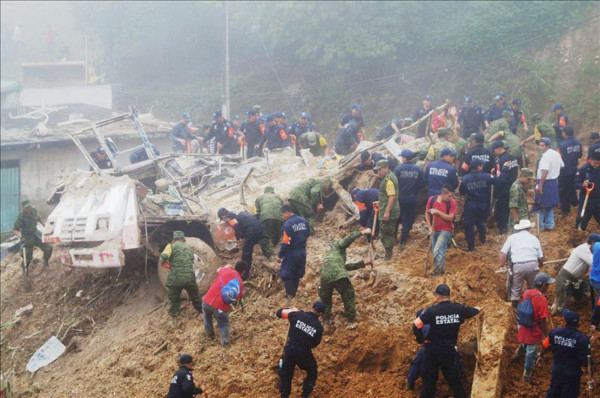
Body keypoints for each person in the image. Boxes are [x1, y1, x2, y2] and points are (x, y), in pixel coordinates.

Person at [412, 284, 480, 398]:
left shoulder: (431, 311)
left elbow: (416, 325)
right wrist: (477, 309)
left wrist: (421, 340)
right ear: (449, 295)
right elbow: (473, 311)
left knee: (429, 383)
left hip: (432, 351)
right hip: (448, 350)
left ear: (438, 296)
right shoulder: (459, 309)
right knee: (455, 381)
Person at [319, 229, 372, 330]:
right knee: (348, 296)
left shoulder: (331, 256)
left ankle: (326, 322)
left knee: (325, 300)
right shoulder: (338, 245)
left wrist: (362, 263)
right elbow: (347, 239)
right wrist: (362, 232)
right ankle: (351, 321)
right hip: (339, 275)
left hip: (324, 277)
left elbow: (344, 267)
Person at [276, 301, 325, 398]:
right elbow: (314, 344)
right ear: (321, 313)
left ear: (312, 307)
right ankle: (305, 394)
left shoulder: (297, 315)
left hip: (289, 349)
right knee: (312, 371)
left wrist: (291, 309)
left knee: (286, 374)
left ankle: (284, 395)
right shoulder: (319, 327)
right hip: (303, 352)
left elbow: (278, 313)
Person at [538, 309, 591, 397]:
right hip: (572, 373)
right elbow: (587, 358)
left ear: (565, 321)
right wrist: (590, 373)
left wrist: (540, 356)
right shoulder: (583, 339)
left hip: (557, 369)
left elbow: (545, 345)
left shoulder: (555, 333)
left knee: (554, 391)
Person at [514, 272, 554, 382]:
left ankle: (517, 355)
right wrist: (546, 335)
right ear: (543, 285)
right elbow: (543, 321)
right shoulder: (542, 300)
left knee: (524, 342)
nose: (549, 287)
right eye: (548, 285)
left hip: (523, 325)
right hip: (533, 329)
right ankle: (527, 375)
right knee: (531, 352)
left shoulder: (527, 292)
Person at [550, 234, 600, 315]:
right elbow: (594, 262)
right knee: (561, 302)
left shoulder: (589, 251)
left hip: (576, 278)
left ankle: (571, 305)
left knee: (584, 294)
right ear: (593, 243)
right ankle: (556, 315)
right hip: (565, 276)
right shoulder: (584, 249)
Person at [499, 220, 544, 307]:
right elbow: (541, 257)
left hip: (518, 266)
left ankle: (515, 308)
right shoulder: (534, 238)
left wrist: (502, 265)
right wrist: (540, 265)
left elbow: (502, 253)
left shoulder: (512, 237)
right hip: (532, 265)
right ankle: (533, 305)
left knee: (515, 289)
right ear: (529, 228)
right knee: (533, 288)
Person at [217, 208, 272, 280]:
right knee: (263, 240)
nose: (224, 220)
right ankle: (270, 257)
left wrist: (238, 237)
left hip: (251, 229)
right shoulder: (236, 211)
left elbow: (236, 226)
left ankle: (244, 275)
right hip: (258, 224)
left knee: (246, 253)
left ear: (223, 216)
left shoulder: (228, 218)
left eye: (222, 219)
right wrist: (243, 235)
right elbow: (242, 224)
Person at [159, 231, 203, 318]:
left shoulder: (170, 246)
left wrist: (164, 264)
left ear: (174, 239)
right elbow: (191, 260)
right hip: (189, 278)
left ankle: (175, 318)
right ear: (183, 239)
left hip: (175, 279)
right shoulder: (188, 248)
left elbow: (163, 257)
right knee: (195, 296)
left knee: (174, 298)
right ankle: (201, 312)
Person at [202, 261, 245, 347]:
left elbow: (218, 270)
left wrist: (227, 266)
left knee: (207, 318)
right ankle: (225, 344)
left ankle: (210, 337)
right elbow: (237, 297)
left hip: (207, 300)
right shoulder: (240, 283)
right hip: (220, 306)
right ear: (243, 271)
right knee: (223, 324)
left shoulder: (226, 271)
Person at [459, 159, 495, 251]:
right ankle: (483, 240)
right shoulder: (487, 176)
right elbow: (496, 182)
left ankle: (471, 247)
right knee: (481, 222)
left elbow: (461, 192)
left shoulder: (465, 178)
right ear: (479, 166)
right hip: (483, 205)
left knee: (469, 226)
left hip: (471, 205)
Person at [278, 205, 310, 298]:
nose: (282, 217)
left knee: (286, 274)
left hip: (291, 253)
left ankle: (290, 295)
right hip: (302, 252)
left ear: (287, 212)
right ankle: (294, 294)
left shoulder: (287, 224)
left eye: (282, 214)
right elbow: (308, 233)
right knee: (297, 273)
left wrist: (280, 255)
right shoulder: (303, 220)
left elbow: (286, 241)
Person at [13, 200, 52, 272]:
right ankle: (25, 270)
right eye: (26, 207)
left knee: (49, 247)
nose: (28, 208)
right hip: (27, 237)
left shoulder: (34, 210)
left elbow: (39, 218)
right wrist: (21, 237)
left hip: (36, 233)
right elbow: (15, 230)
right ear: (23, 208)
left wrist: (45, 227)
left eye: (29, 206)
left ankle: (45, 263)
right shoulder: (20, 216)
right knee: (27, 258)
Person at [394, 149, 424, 245]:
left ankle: (394, 236)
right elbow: (422, 185)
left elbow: (394, 184)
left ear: (404, 158)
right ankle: (403, 240)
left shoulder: (398, 169)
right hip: (412, 198)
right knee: (408, 217)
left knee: (396, 217)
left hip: (399, 198)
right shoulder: (418, 169)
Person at [425, 187, 457, 276]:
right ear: (443, 193)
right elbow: (427, 213)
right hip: (434, 229)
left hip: (446, 230)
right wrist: (429, 226)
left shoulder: (452, 202)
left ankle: (436, 272)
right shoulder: (432, 200)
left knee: (437, 250)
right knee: (439, 251)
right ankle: (441, 269)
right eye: (449, 196)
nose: (450, 198)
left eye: (452, 196)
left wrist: (438, 212)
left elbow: (450, 218)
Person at [535, 138, 564, 231]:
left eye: (542, 145)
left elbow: (545, 171)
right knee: (550, 204)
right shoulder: (556, 154)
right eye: (539, 145)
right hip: (553, 182)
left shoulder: (546, 156)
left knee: (540, 204)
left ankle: (540, 226)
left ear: (548, 146)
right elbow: (562, 165)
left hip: (545, 182)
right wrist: (555, 172)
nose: (540, 147)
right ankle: (550, 224)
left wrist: (540, 185)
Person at [491, 140, 519, 234]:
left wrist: (494, 181)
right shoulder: (513, 158)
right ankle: (511, 225)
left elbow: (500, 177)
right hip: (513, 185)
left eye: (493, 151)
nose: (493, 153)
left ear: (498, 149)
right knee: (511, 207)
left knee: (501, 208)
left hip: (503, 188)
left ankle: (502, 228)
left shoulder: (499, 160)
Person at [375, 160, 400, 260]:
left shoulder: (388, 180)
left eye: (380, 170)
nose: (378, 172)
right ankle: (388, 252)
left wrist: (387, 211)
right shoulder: (390, 176)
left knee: (385, 232)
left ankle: (388, 253)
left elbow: (391, 195)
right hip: (388, 208)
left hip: (389, 210)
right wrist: (380, 202)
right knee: (387, 231)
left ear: (386, 168)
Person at [558, 125, 582, 216]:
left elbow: (559, 158)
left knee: (563, 189)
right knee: (572, 186)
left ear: (564, 133)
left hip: (564, 169)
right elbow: (579, 155)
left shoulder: (561, 145)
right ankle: (575, 203)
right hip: (574, 168)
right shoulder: (578, 143)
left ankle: (565, 210)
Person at [575, 151, 600, 230]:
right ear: (590, 160)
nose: (597, 165)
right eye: (595, 163)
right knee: (582, 220)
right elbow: (576, 184)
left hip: (598, 199)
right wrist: (582, 184)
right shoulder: (583, 170)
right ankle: (578, 234)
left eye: (599, 163)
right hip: (586, 199)